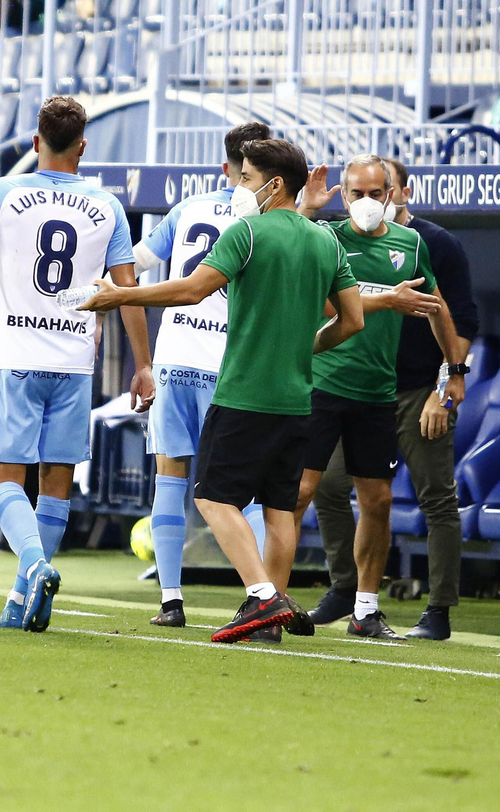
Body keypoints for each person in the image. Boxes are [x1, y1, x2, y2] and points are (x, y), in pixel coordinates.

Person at [82, 138, 363, 644]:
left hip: (244, 394)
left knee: (212, 498)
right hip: (298, 397)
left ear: (274, 185)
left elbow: (192, 289)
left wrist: (121, 294)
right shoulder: (326, 241)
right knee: (279, 510)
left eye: (247, 179)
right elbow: (353, 320)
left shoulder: (247, 232)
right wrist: (306, 349)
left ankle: (262, 595)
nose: (239, 187)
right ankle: (269, 621)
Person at [0, 97, 155, 633]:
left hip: (17, 356)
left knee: (4, 480)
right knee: (55, 486)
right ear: (82, 147)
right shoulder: (107, 206)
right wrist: (142, 365)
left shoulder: (6, 192)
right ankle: (20, 599)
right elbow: (126, 292)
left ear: (37, 141)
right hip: (74, 363)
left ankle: (35, 567)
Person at [297, 156, 470, 640]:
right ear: (344, 194)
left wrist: (453, 372)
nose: (368, 202)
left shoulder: (412, 244)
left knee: (378, 500)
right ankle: (268, 597)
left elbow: (438, 308)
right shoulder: (326, 237)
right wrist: (307, 209)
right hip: (323, 383)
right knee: (303, 491)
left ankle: (367, 610)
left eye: (377, 193)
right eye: (357, 193)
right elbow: (321, 302)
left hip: (380, 390)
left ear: (392, 194)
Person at [130, 122, 274, 629]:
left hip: (174, 360)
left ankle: (171, 602)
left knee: (170, 477)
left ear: (223, 166)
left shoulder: (188, 209)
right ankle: (262, 597)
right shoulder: (267, 221)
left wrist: (101, 292)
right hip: (229, 368)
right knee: (245, 490)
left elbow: (135, 261)